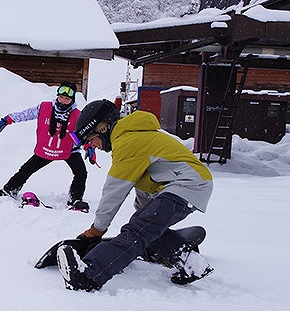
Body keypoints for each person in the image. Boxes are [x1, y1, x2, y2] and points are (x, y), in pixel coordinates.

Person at [56, 99, 215, 291]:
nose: (94, 146)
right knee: (145, 226)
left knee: (137, 232)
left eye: (91, 139)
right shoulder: (133, 136)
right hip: (188, 184)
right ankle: (190, 263)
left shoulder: (129, 142)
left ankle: (89, 275)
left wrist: (96, 230)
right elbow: (145, 182)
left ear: (102, 128)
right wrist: (144, 214)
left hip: (186, 184)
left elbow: (114, 191)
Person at [0, 82, 90, 211]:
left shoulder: (77, 115)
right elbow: (26, 114)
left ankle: (75, 200)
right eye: (61, 97)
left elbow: (83, 133)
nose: (63, 101)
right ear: (57, 96)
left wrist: (89, 146)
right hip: (47, 149)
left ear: (72, 100)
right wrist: (8, 119)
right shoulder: (44, 108)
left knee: (81, 173)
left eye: (67, 99)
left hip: (69, 150)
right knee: (26, 169)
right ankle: (10, 190)